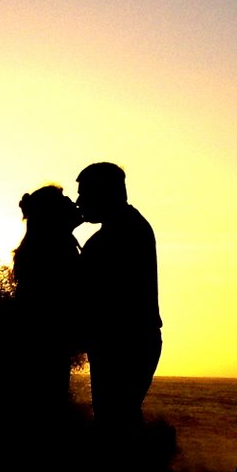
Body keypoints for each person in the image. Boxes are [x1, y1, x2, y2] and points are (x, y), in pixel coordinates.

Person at [75, 162, 162, 438]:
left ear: (104, 192)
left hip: (125, 342)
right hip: (130, 341)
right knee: (119, 419)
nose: (79, 202)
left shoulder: (119, 234)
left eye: (84, 193)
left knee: (114, 422)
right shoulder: (128, 227)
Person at [12, 184, 84, 415]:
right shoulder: (51, 247)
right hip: (45, 346)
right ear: (51, 215)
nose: (73, 203)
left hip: (45, 344)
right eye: (64, 200)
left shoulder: (48, 243)